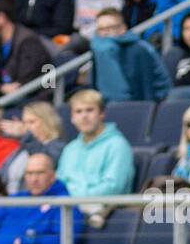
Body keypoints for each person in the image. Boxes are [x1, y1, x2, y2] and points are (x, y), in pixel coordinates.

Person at [56, 89, 134, 218]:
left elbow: (113, 188)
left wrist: (74, 199)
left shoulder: (118, 145)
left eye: (89, 110)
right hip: (67, 210)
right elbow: (60, 182)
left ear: (102, 113)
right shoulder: (70, 149)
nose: (84, 116)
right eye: (78, 111)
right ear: (72, 117)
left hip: (102, 213)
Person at [90, 8, 171, 102]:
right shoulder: (98, 50)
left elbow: (147, 87)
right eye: (101, 29)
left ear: (122, 28)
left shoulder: (140, 49)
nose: (105, 33)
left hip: (138, 106)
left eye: (110, 27)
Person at [0, 0, 51, 98]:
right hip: (6, 98)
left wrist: (1, 88)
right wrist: (2, 88)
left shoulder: (28, 41)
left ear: (1, 18)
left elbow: (25, 83)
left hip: (32, 101)